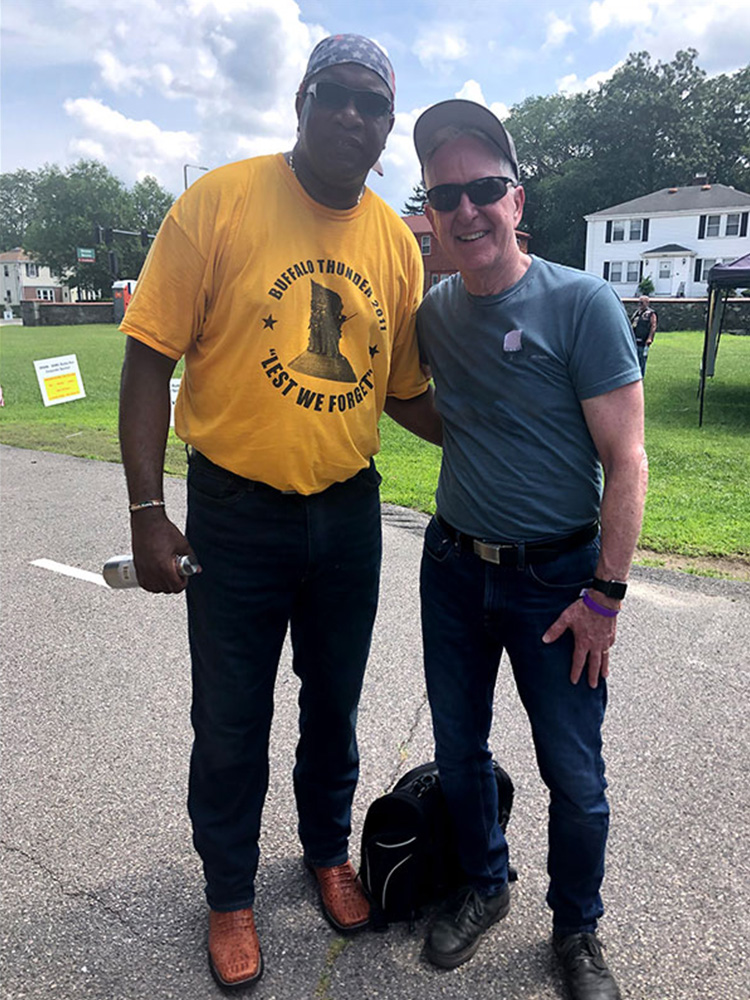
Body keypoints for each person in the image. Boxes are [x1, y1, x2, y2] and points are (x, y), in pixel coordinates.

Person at [118, 35, 439, 990]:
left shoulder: (393, 239)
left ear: (388, 128)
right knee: (229, 718)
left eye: (372, 105)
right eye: (336, 95)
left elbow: (407, 392)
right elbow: (147, 359)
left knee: (332, 707)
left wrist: (519, 428)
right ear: (301, 100)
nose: (353, 115)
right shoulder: (218, 202)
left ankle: (327, 852)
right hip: (233, 512)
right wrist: (147, 509)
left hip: (348, 516)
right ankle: (228, 896)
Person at [412, 100, 647, 1000]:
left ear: (516, 199)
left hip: (560, 580)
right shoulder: (435, 316)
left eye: (483, 189)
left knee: (573, 772)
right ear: (429, 210)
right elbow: (428, 406)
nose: (465, 210)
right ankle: (485, 885)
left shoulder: (580, 302)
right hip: (454, 566)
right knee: (460, 748)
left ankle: (578, 932)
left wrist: (606, 596)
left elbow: (627, 462)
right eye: (445, 195)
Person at [630, 294, 658, 375]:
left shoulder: (651, 313)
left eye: (641, 302)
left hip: (644, 341)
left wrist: (650, 338)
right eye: (639, 302)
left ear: (647, 303)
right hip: (635, 340)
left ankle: (640, 376)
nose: (639, 304)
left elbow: (653, 326)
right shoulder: (637, 313)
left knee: (642, 359)